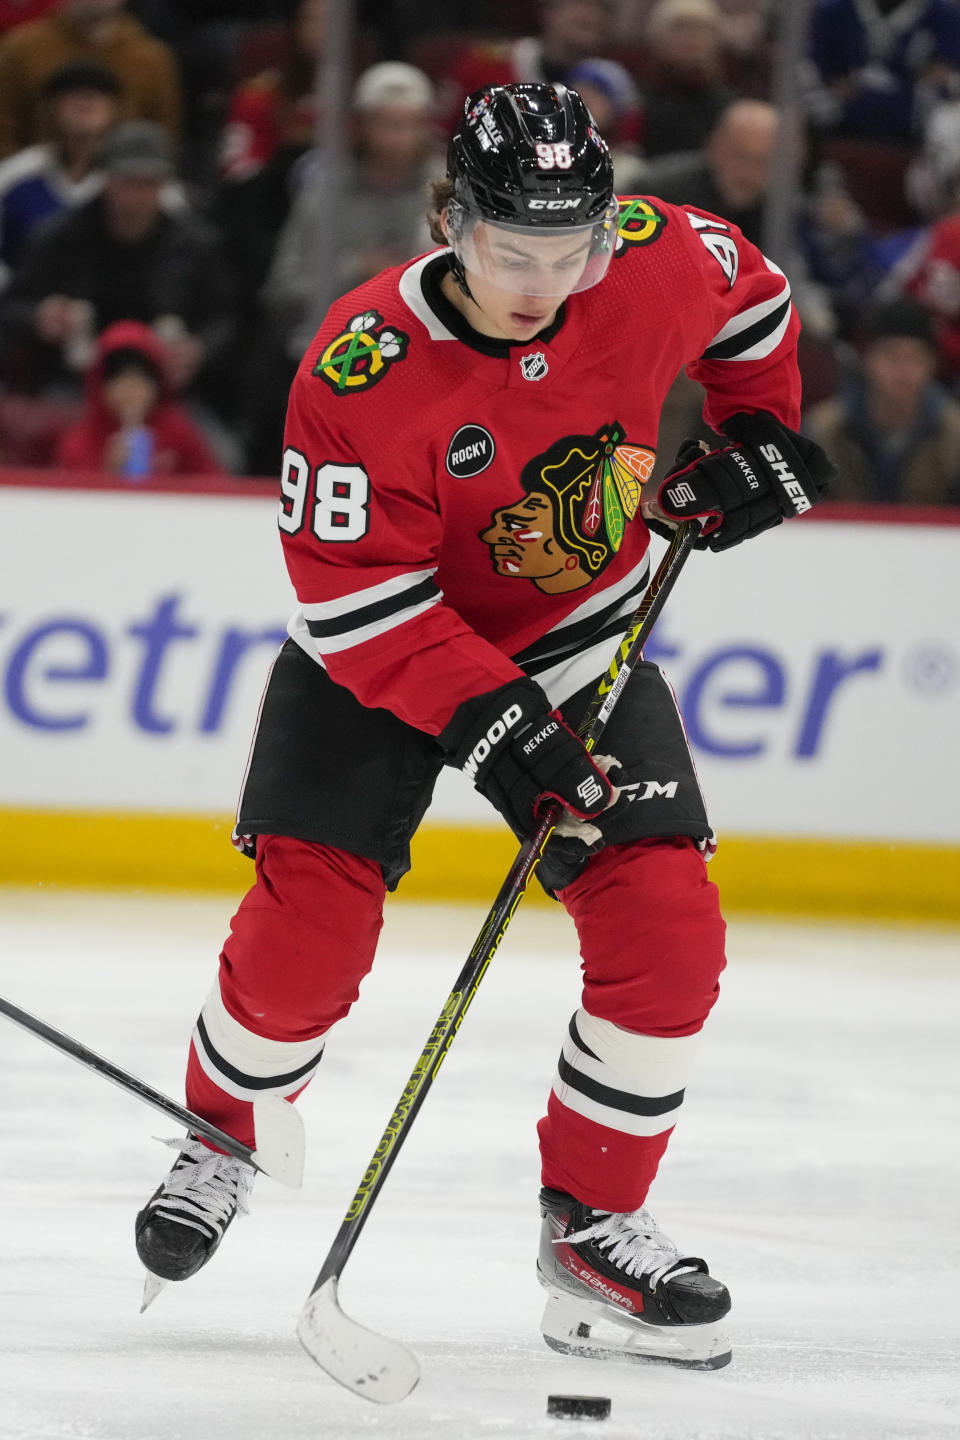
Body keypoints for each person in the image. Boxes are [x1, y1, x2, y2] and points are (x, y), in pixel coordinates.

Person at [134, 82, 832, 1370]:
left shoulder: (656, 257)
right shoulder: (362, 366)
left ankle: (594, 1223)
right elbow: (358, 605)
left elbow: (757, 304)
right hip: (385, 653)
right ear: (450, 219)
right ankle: (226, 1128)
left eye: (569, 251)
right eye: (512, 250)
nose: (542, 281)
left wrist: (759, 435)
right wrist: (498, 728)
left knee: (668, 925)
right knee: (308, 941)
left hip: (572, 640)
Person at [0, 120, 235, 420]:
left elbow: (227, 317)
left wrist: (199, 348)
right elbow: (11, 306)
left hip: (165, 393)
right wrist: (40, 316)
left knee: (217, 453)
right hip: (72, 389)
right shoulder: (58, 238)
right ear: (106, 179)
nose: (137, 195)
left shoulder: (195, 245)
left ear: (164, 184)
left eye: (148, 182)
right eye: (128, 181)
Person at [806, 297, 960, 504]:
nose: (903, 370)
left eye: (916, 357)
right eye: (891, 355)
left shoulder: (954, 435)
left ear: (932, 364)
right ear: (867, 359)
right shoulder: (825, 431)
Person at [0, 0, 182, 160]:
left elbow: (164, 134)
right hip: (31, 185)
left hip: (128, 186)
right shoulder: (20, 50)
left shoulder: (153, 59)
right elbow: (5, 124)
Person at [0, 58, 119, 289]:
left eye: (97, 95)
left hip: (114, 309)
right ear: (51, 108)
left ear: (115, 109)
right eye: (72, 95)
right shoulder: (16, 176)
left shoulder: (137, 178)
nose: (85, 102)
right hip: (23, 306)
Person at [54, 318, 225, 475]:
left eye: (141, 378)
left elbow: (213, 484)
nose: (131, 389)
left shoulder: (178, 431)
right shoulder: (80, 442)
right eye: (119, 379)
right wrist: (107, 472)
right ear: (100, 386)